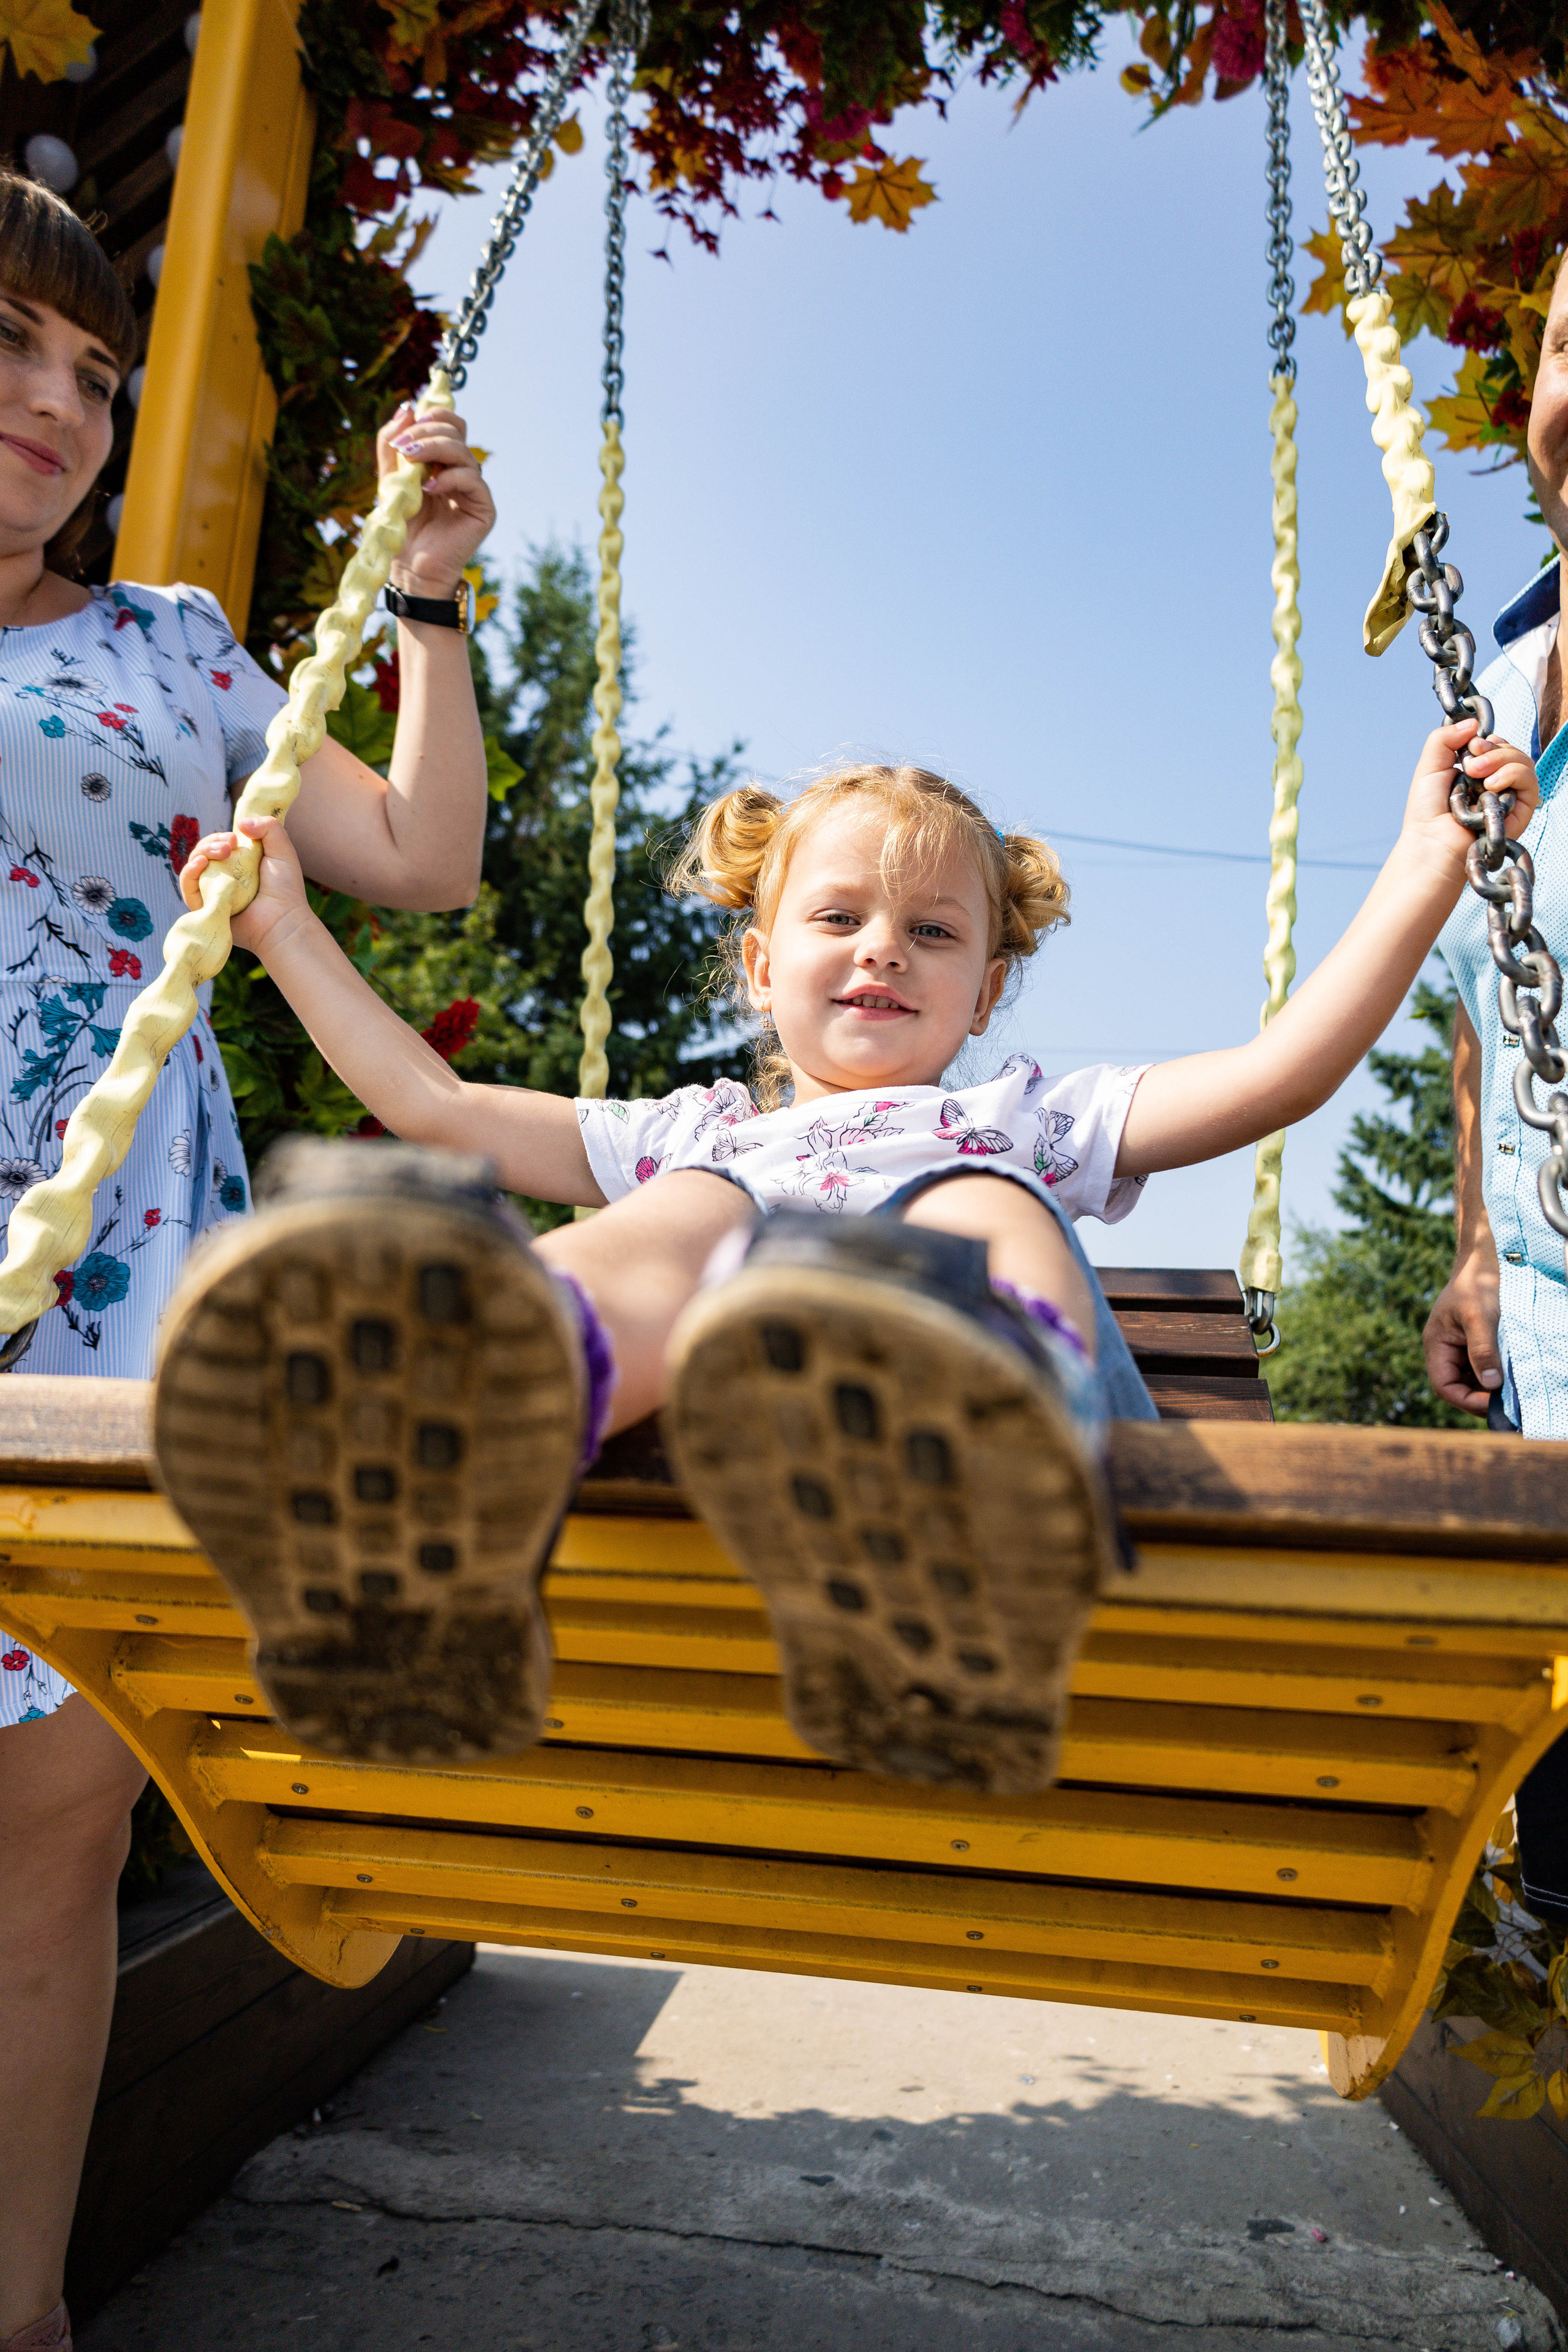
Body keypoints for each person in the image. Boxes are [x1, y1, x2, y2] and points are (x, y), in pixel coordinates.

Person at [160, 715, 1536, 1797]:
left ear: (986, 986)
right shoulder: (697, 1135)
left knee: (971, 1197)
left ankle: (966, 1437)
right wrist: (278, 923)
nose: (883, 951)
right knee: (690, 1207)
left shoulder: (1018, 1120)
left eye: (932, 932)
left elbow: (1277, 1074)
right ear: (760, 965)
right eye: (838, 921)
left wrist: (1427, 866)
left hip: (1059, 1498)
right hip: (742, 1411)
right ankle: (451, 1441)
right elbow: (439, 1109)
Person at [0, 174, 496, 2352]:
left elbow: (428, 859)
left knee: (48, 1846)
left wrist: (434, 602)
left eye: (93, 375)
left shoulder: (171, 650)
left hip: (104, 1275)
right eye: (12, 348)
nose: (60, 405)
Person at [1423, 253, 1568, 1925]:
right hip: (1540, 1308)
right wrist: (1473, 1245)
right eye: (1558, 347)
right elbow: (1483, 1002)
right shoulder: (1506, 680)